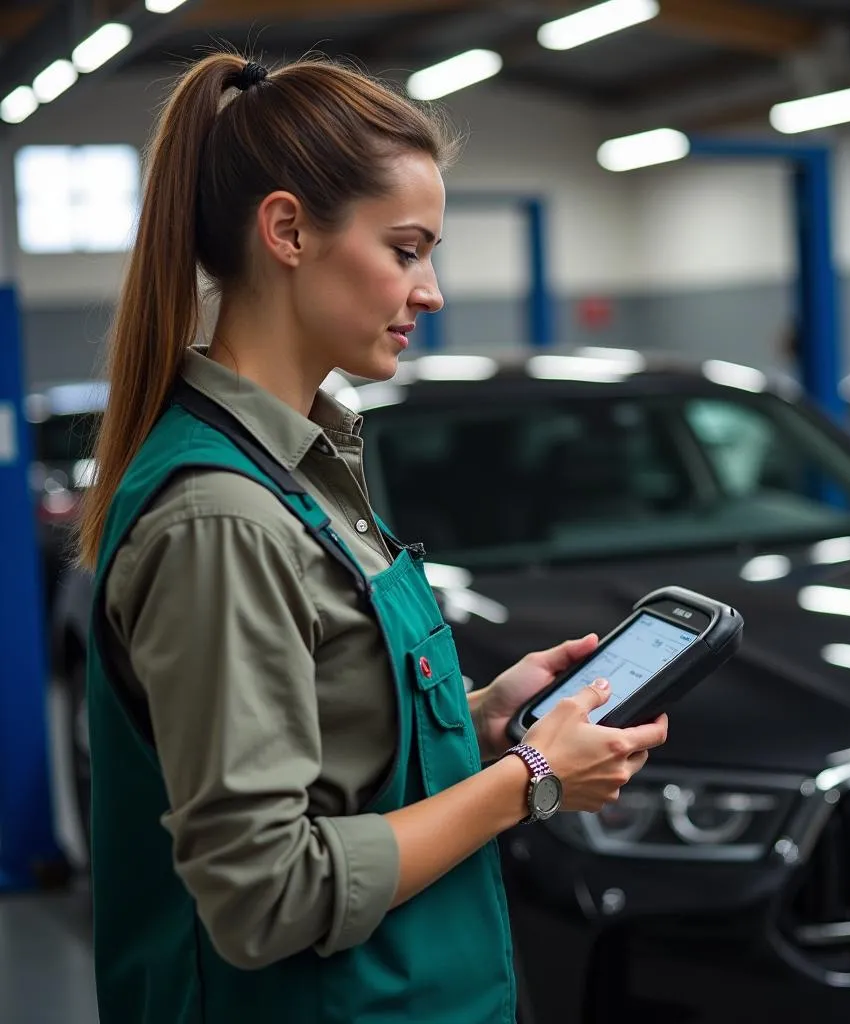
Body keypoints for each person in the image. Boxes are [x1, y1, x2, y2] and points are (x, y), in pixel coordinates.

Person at [77, 53, 669, 1024]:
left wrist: (475, 722)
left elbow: (325, 743)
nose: (429, 290)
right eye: (405, 249)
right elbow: (265, 893)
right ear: (287, 231)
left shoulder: (307, 461)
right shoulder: (222, 517)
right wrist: (532, 780)